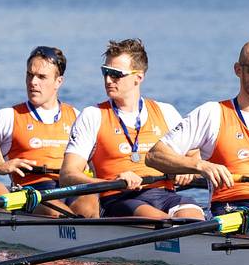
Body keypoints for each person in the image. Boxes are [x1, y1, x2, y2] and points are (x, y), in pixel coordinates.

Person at [146, 39, 249, 239]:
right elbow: (154, 155)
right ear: (238, 70)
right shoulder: (212, 113)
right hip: (231, 208)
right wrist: (200, 166)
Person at [60, 38, 203, 220]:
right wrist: (111, 183)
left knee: (195, 217)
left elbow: (194, 155)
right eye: (105, 72)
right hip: (119, 199)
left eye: (116, 74)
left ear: (139, 77)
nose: (108, 79)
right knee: (164, 222)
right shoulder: (92, 115)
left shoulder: (166, 112)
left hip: (165, 194)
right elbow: (67, 175)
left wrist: (189, 169)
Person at [0, 46, 77, 214]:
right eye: (29, 75)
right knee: (57, 212)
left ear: (58, 81)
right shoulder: (7, 117)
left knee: (90, 203)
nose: (33, 82)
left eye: (41, 77)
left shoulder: (77, 117)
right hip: (32, 194)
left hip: (72, 188)